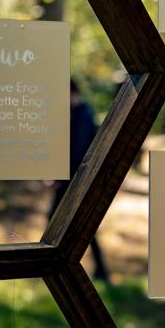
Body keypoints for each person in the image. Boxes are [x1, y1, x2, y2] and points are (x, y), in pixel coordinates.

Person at [51, 79, 109, 282]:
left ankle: (61, 267)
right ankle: (94, 270)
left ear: (71, 91)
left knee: (71, 224)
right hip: (74, 181)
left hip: (76, 182)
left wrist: (61, 177)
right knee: (80, 226)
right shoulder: (79, 114)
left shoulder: (83, 115)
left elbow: (78, 153)